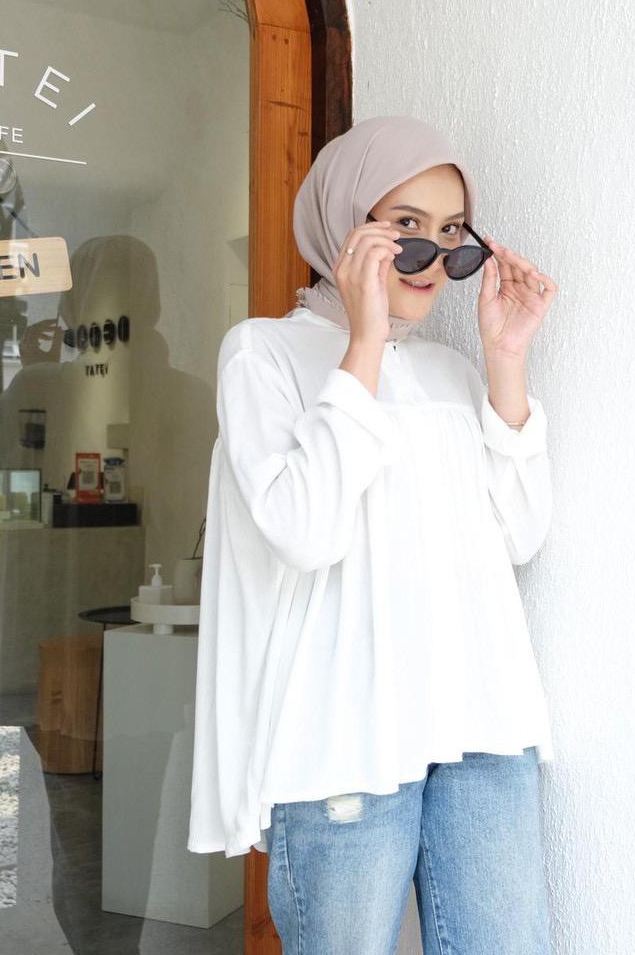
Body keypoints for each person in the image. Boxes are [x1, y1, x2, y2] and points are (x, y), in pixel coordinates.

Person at [188, 115, 559, 952]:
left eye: (452, 235)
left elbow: (522, 533)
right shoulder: (263, 355)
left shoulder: (450, 371)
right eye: (406, 227)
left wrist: (506, 361)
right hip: (340, 741)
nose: (431, 257)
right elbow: (305, 532)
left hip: (480, 722)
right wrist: (363, 342)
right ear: (343, 223)